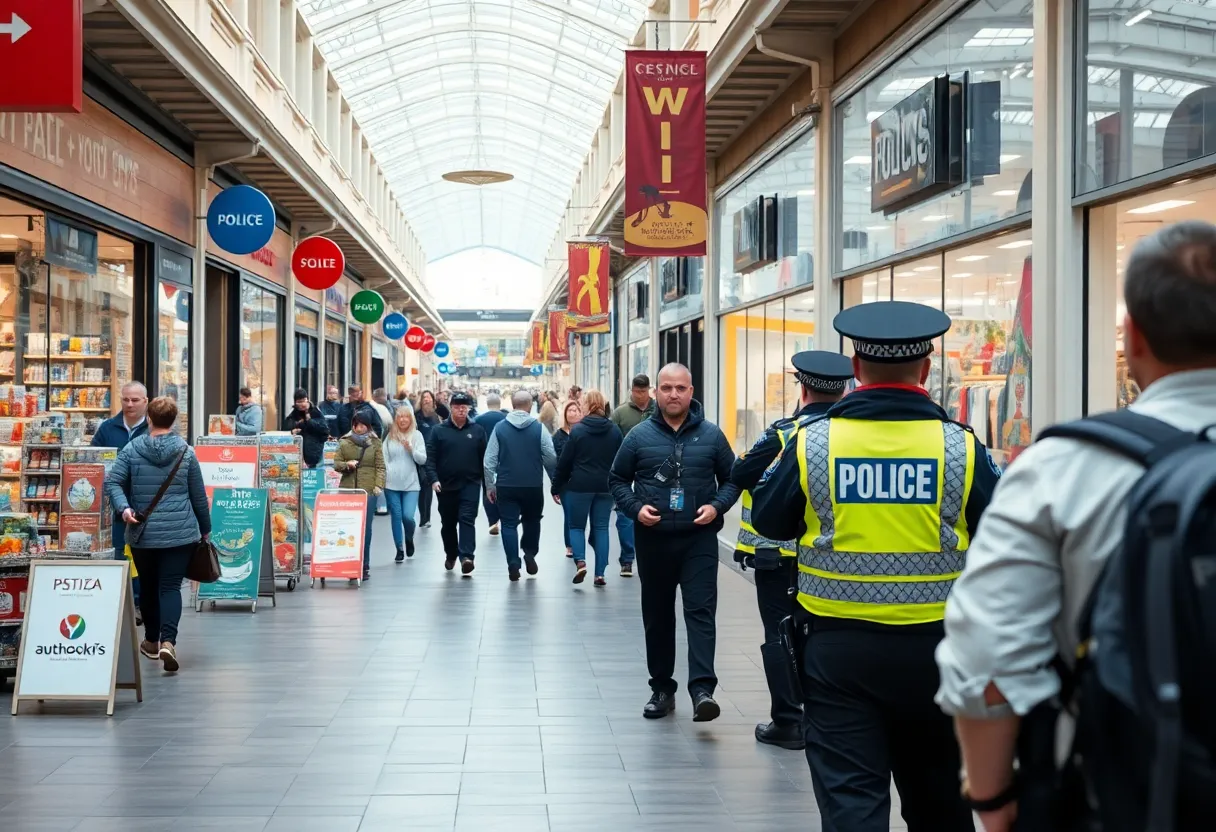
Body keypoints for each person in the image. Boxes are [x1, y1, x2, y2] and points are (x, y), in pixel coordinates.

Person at [935, 221, 1216, 832]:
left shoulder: (1062, 469)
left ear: (1132, 335)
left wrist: (993, 801)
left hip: (1121, 795)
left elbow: (986, 657)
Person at [750, 301, 1001, 832]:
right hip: (939, 652)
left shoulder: (812, 444)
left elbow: (770, 521)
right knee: (941, 805)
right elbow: (1003, 535)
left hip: (837, 656)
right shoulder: (962, 449)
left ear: (856, 370)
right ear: (927, 369)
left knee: (852, 806)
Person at [730, 350, 854, 752]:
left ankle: (788, 720)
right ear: (844, 390)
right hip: (832, 559)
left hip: (777, 556)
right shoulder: (852, 437)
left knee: (780, 635)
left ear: (802, 388)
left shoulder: (785, 433)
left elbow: (741, 473)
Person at [609, 363, 740, 722]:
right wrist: (636, 509)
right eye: (666, 387)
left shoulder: (712, 436)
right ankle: (662, 689)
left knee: (700, 613)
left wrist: (717, 506)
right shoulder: (637, 437)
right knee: (658, 616)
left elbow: (732, 479)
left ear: (691, 391)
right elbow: (617, 479)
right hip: (653, 540)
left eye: (680, 388)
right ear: (655, 393)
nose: (673, 394)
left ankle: (702, 691)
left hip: (699, 540)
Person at [104, 396, 210, 674]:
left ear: (149, 418)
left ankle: (151, 640)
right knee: (170, 587)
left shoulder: (131, 449)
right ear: (174, 420)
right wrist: (205, 528)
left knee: (149, 586)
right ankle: (168, 641)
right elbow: (198, 496)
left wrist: (124, 508)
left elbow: (113, 481)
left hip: (143, 531)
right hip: (180, 533)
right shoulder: (186, 452)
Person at [483, 390, 558, 581]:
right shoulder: (539, 428)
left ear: (512, 405)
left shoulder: (500, 428)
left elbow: (489, 461)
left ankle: (513, 563)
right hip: (532, 484)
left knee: (508, 525)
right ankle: (530, 553)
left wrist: (490, 486)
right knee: (532, 520)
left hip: (506, 485)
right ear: (530, 406)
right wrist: (553, 481)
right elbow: (550, 456)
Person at [552, 390, 622, 586]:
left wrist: (555, 486)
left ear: (588, 405)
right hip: (605, 486)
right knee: (601, 528)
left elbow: (565, 462)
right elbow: (621, 460)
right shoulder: (615, 431)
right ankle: (600, 574)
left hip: (579, 486)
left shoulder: (578, 431)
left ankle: (581, 561)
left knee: (576, 526)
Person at [93, 381, 150, 603]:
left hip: (144, 504)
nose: (129, 404)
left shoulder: (153, 430)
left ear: (145, 402)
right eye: (125, 399)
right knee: (118, 553)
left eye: (135, 400)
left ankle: (138, 602)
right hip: (113, 505)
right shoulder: (107, 428)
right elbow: (93, 459)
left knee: (141, 556)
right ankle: (119, 603)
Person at [425, 391, 487, 575]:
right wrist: (433, 479)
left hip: (471, 483)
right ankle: (451, 554)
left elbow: (485, 459)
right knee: (448, 523)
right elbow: (431, 458)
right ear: (451, 408)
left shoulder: (477, 431)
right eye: (457, 407)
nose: (461, 410)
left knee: (467, 519)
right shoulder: (439, 430)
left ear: (468, 408)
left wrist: (489, 484)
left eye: (464, 407)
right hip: (445, 486)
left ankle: (467, 556)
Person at [609, 374, 653, 578]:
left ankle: (651, 558)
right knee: (625, 516)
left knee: (652, 513)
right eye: (636, 392)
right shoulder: (620, 414)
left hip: (655, 472)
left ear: (649, 390)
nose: (640, 396)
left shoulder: (659, 410)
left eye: (643, 392)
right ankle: (627, 559)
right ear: (631, 390)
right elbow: (611, 440)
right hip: (627, 471)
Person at [334, 411, 385, 582]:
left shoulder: (376, 442)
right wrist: (346, 465)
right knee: (349, 528)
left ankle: (364, 565)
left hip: (368, 490)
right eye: (357, 424)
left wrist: (378, 485)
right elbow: (336, 464)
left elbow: (380, 466)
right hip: (348, 490)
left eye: (363, 424)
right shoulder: (344, 442)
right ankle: (350, 564)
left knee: (366, 529)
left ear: (369, 426)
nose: (360, 427)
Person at [383, 406, 427, 562]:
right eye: (399, 417)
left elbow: (422, 459)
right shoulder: (390, 436)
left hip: (411, 483)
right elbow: (384, 457)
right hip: (391, 484)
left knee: (408, 516)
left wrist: (411, 449)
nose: (402, 420)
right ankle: (399, 548)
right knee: (396, 515)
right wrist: (388, 472)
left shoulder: (417, 435)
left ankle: (409, 537)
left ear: (411, 419)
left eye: (406, 417)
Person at [475, 393, 509, 536]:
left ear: (487, 404)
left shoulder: (479, 419)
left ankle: (493, 521)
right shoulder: (507, 419)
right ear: (499, 404)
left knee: (487, 489)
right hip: (505, 459)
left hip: (485, 460)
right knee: (504, 489)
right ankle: (504, 517)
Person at [553, 401, 582, 559]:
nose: (573, 413)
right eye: (570, 410)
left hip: (583, 479)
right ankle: (570, 545)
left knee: (579, 514)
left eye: (576, 410)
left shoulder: (585, 432)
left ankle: (578, 542)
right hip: (566, 481)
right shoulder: (558, 435)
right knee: (569, 513)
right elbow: (556, 460)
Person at [283, 388, 328, 468]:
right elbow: (286, 428)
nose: (302, 404)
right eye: (299, 402)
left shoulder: (315, 411)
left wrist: (308, 417)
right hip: (297, 456)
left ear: (307, 400)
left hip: (314, 453)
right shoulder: (293, 414)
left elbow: (324, 429)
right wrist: (293, 430)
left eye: (303, 401)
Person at [415, 391, 442, 528]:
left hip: (432, 456)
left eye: (429, 398)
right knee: (421, 487)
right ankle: (423, 516)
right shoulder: (416, 417)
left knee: (427, 485)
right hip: (417, 455)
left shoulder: (436, 417)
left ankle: (426, 518)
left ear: (432, 401)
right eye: (424, 398)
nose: (426, 400)